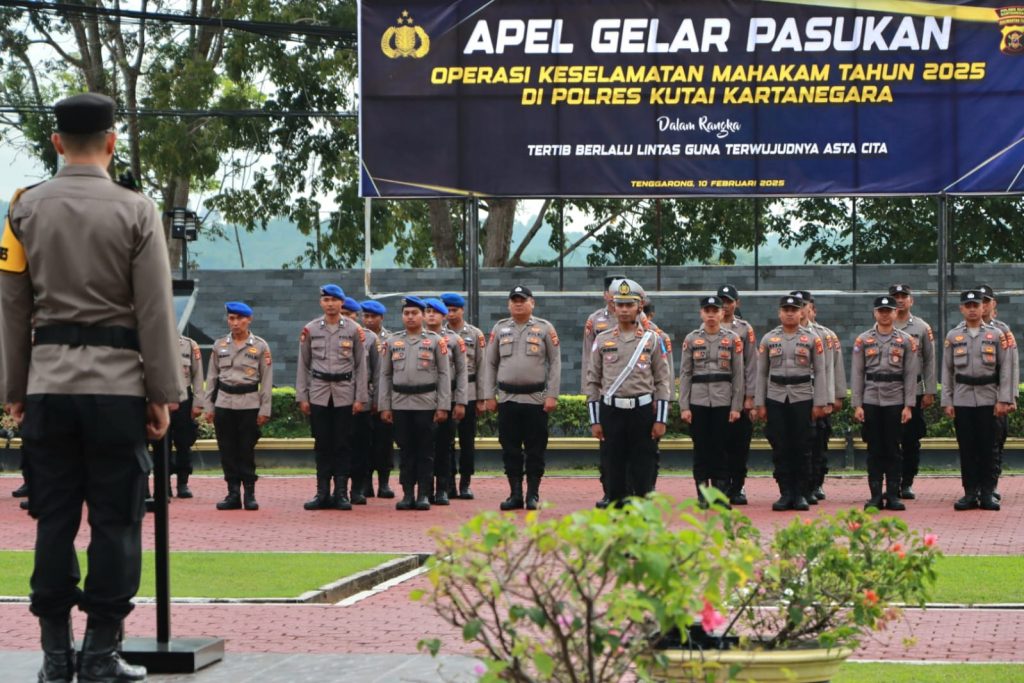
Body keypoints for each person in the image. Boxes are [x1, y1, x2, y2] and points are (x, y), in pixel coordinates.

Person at [0, 92, 179, 682]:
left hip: (48, 386)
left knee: (53, 519)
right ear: (111, 142)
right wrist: (161, 393)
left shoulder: (22, 209)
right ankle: (101, 653)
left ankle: (56, 657)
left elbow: (11, 304)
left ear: (56, 142)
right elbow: (154, 309)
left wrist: (15, 387)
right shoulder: (137, 209)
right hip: (117, 388)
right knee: (116, 521)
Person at [586, 279, 670, 505]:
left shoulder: (652, 339)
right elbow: (592, 381)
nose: (624, 310)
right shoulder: (602, 339)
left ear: (639, 307)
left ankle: (642, 516)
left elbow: (662, 381)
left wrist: (661, 419)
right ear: (613, 307)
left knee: (643, 468)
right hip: (612, 411)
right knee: (613, 468)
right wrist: (595, 420)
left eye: (629, 305)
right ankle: (616, 514)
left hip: (642, 411)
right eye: (620, 305)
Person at [482, 285, 562, 510]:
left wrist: (552, 394)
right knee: (510, 450)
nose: (518, 304)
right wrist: (488, 395)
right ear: (509, 304)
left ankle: (532, 495)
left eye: (522, 300)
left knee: (535, 450)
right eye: (514, 300)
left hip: (535, 399)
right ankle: (515, 494)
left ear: (532, 303)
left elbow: (555, 362)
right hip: (507, 399)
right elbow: (490, 363)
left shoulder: (545, 328)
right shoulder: (500, 328)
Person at [295, 286, 368, 510]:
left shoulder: (354, 329)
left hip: (345, 392)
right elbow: (303, 364)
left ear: (341, 303)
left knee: (343, 444)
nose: (330, 304)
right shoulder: (311, 329)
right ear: (321, 303)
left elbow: (361, 366)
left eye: (334, 300)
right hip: (319, 393)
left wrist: (360, 397)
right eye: (326, 300)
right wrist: (302, 396)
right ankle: (322, 493)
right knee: (322, 444)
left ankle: (341, 494)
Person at [754, 296, 829, 511]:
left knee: (803, 447)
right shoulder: (769, 339)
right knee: (780, 447)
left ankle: (801, 493)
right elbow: (761, 373)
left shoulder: (812, 338)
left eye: (794, 310)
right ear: (779, 313)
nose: (789, 313)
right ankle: (785, 492)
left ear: (801, 312)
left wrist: (820, 402)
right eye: (785, 309)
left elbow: (821, 372)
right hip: (776, 397)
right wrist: (760, 403)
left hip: (803, 396)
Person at [942, 290, 1014, 511]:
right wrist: (947, 400)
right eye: (968, 305)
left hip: (989, 398)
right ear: (961, 309)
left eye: (976, 305)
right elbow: (947, 370)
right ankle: (970, 493)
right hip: (963, 398)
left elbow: (1006, 369)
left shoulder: (997, 334)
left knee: (988, 448)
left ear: (984, 308)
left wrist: (1004, 399)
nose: (972, 309)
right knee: (967, 448)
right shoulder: (953, 336)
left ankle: (988, 493)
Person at [378, 297, 451, 511]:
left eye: (414, 313)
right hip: (400, 403)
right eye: (406, 313)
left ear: (422, 316)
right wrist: (385, 406)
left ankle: (423, 494)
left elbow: (444, 375)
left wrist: (443, 406)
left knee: (425, 451)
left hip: (426, 403)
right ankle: (408, 493)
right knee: (405, 450)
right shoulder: (392, 342)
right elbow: (385, 375)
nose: (410, 317)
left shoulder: (436, 341)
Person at [850, 296, 919, 511]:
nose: (885, 314)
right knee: (874, 449)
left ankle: (893, 495)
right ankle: (875, 496)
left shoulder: (906, 340)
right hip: (871, 399)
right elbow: (857, 373)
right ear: (875, 313)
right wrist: (857, 404)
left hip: (895, 399)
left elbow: (910, 375)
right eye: (881, 311)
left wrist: (908, 405)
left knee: (893, 448)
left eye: (889, 310)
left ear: (895, 313)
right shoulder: (863, 340)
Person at [204, 301, 273, 511]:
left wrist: (265, 409)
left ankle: (249, 493)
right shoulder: (219, 345)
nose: (235, 323)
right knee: (227, 450)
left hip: (249, 403)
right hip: (224, 402)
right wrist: (208, 406)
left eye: (239, 319)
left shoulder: (260, 346)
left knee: (246, 449)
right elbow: (212, 377)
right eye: (231, 318)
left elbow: (267, 380)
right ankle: (232, 493)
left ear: (248, 320)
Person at [678, 295, 744, 508]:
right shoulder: (691, 339)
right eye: (707, 311)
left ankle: (720, 494)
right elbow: (685, 374)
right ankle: (702, 494)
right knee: (701, 449)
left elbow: (738, 375)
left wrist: (736, 406)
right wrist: (684, 406)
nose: (711, 315)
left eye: (715, 311)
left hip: (722, 401)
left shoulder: (733, 339)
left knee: (721, 449)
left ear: (722, 313)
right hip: (698, 401)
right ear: (701, 313)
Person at [889, 283, 936, 500]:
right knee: (888, 439)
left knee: (910, 439)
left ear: (911, 300)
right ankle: (891, 481)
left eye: (903, 296)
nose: (900, 300)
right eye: (896, 296)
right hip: (888, 391)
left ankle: (906, 482)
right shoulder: (882, 325)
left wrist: (929, 390)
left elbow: (929, 361)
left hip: (914, 391)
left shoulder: (921, 327)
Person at [441, 292, 487, 499]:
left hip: (469, 391)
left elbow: (482, 366)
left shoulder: (475, 334)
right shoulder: (438, 334)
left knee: (467, 441)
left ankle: (466, 482)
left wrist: (482, 398)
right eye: (447, 310)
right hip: (446, 393)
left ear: (462, 310)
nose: (450, 314)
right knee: (446, 441)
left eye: (454, 310)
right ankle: (449, 482)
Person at [977, 284, 1019, 502]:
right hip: (971, 398)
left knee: (996, 442)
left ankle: (991, 485)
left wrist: (1010, 397)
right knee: (972, 443)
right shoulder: (961, 330)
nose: (982, 305)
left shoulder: (1003, 331)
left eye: (986, 301)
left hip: (996, 397)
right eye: (979, 301)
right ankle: (974, 486)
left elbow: (1011, 366)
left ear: (993, 304)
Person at [423, 297, 467, 505]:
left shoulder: (454, 340)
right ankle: (424, 490)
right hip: (421, 399)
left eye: (435, 312)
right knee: (424, 447)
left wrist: (460, 401)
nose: (431, 315)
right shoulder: (412, 338)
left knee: (443, 447)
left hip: (446, 398)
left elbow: (462, 372)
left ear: (443, 316)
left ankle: (443, 489)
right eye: (427, 311)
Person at [717, 285, 756, 505]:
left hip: (739, 396)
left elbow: (751, 364)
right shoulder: (706, 328)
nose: (725, 305)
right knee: (718, 443)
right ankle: (721, 486)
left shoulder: (744, 329)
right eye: (721, 300)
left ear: (736, 303)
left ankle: (738, 486)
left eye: (729, 301)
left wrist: (750, 397)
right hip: (716, 395)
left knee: (739, 445)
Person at [361, 299, 395, 497]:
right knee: (364, 442)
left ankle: (384, 483)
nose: (369, 320)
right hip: (364, 397)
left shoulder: (391, 339)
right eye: (366, 316)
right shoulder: (359, 337)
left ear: (381, 318)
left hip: (385, 399)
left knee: (384, 443)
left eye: (373, 316)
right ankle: (366, 483)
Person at [340, 296, 372, 504]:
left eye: (348, 314)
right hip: (336, 400)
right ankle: (338, 489)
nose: (344, 318)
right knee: (337, 446)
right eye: (342, 314)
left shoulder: (369, 338)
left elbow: (377, 373)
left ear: (356, 316)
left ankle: (358, 488)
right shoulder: (327, 334)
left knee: (360, 447)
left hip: (361, 401)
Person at [167, 334, 205, 498]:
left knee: (184, 442)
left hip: (184, 398)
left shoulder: (189, 345)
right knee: (162, 443)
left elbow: (198, 376)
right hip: (161, 397)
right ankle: (164, 484)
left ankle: (183, 483)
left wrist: (198, 403)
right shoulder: (153, 341)